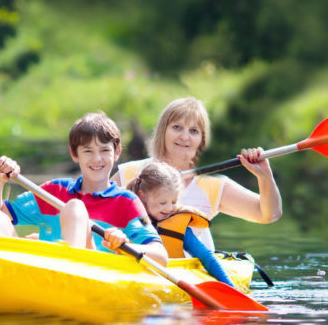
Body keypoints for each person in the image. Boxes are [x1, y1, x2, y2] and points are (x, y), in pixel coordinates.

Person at [0, 111, 168, 266]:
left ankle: (67, 270)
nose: (97, 159)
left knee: (75, 208)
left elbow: (161, 256)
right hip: (39, 275)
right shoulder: (54, 190)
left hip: (89, 277)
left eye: (104, 150)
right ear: (74, 154)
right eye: (88, 151)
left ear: (117, 152)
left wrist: (125, 245)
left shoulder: (127, 202)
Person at [113, 97, 282, 250]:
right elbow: (93, 205)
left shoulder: (212, 184)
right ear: (163, 131)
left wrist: (265, 176)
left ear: (202, 139)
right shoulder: (131, 172)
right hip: (136, 261)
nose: (185, 137)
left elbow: (268, 214)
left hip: (191, 270)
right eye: (177, 127)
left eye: (194, 131)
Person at [127, 161, 236, 287]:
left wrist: (230, 287)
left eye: (174, 201)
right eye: (163, 203)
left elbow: (205, 256)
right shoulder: (128, 217)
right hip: (132, 275)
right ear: (143, 196)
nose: (169, 208)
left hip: (168, 279)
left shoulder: (178, 224)